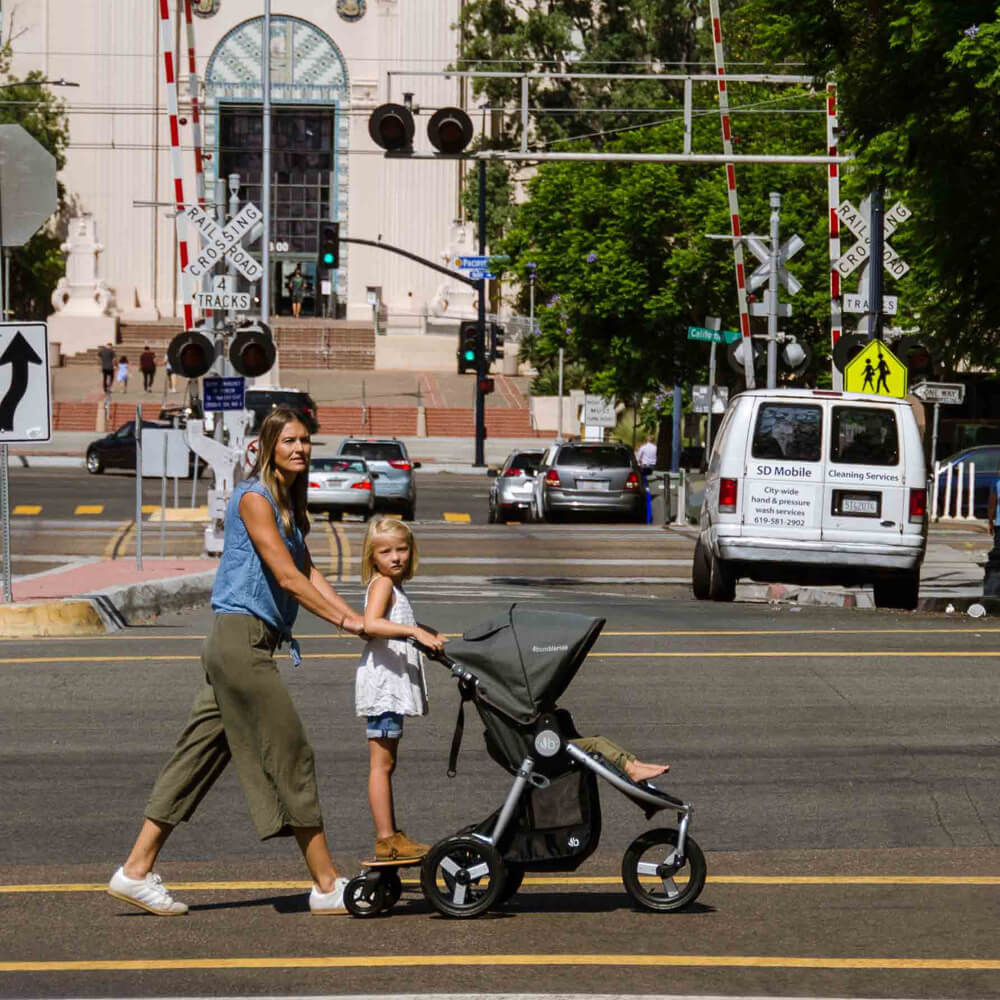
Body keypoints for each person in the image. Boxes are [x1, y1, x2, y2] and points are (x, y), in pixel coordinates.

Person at [107, 407, 366, 917]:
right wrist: (347, 625)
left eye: (306, 441)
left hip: (246, 643)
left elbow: (307, 571)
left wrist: (354, 618)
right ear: (268, 445)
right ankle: (326, 883)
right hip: (239, 642)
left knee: (195, 759)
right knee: (291, 751)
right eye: (290, 440)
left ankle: (134, 871)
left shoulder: (289, 504)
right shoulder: (254, 497)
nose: (300, 448)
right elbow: (287, 578)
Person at [356, 517, 443, 861]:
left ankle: (390, 835)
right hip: (383, 686)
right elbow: (372, 624)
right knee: (381, 764)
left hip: (388, 683)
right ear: (372, 557)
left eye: (402, 549)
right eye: (386, 551)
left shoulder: (394, 585)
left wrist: (427, 632)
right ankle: (386, 838)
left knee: (386, 763)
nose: (396, 557)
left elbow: (397, 622)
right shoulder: (383, 585)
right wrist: (414, 633)